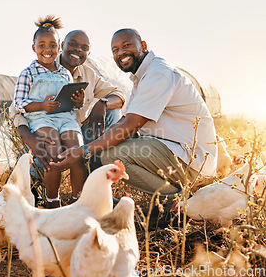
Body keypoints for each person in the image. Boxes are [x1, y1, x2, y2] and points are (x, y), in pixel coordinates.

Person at [52, 28, 217, 211]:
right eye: (115, 50)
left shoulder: (158, 73)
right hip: (174, 151)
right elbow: (125, 122)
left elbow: (130, 125)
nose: (121, 53)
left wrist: (84, 150)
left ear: (143, 46)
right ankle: (94, 199)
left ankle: (174, 202)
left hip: (191, 161)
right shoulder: (140, 78)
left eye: (126, 45)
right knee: (106, 148)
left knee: (111, 154)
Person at [12, 28, 126, 205]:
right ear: (63, 46)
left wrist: (100, 103)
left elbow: (118, 95)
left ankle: (84, 195)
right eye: (72, 44)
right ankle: (42, 193)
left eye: (84, 47)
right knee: (49, 153)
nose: (77, 50)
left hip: (69, 125)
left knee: (112, 113)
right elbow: (16, 110)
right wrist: (32, 141)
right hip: (39, 131)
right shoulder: (31, 71)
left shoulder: (86, 74)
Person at [13, 16, 89, 208]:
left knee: (77, 153)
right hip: (41, 118)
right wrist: (41, 106)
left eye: (52, 45)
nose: (47, 50)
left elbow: (71, 103)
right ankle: (52, 202)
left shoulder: (65, 73)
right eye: (42, 45)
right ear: (34, 47)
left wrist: (78, 102)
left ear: (59, 47)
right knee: (53, 154)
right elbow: (19, 103)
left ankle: (77, 202)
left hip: (66, 118)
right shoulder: (28, 73)